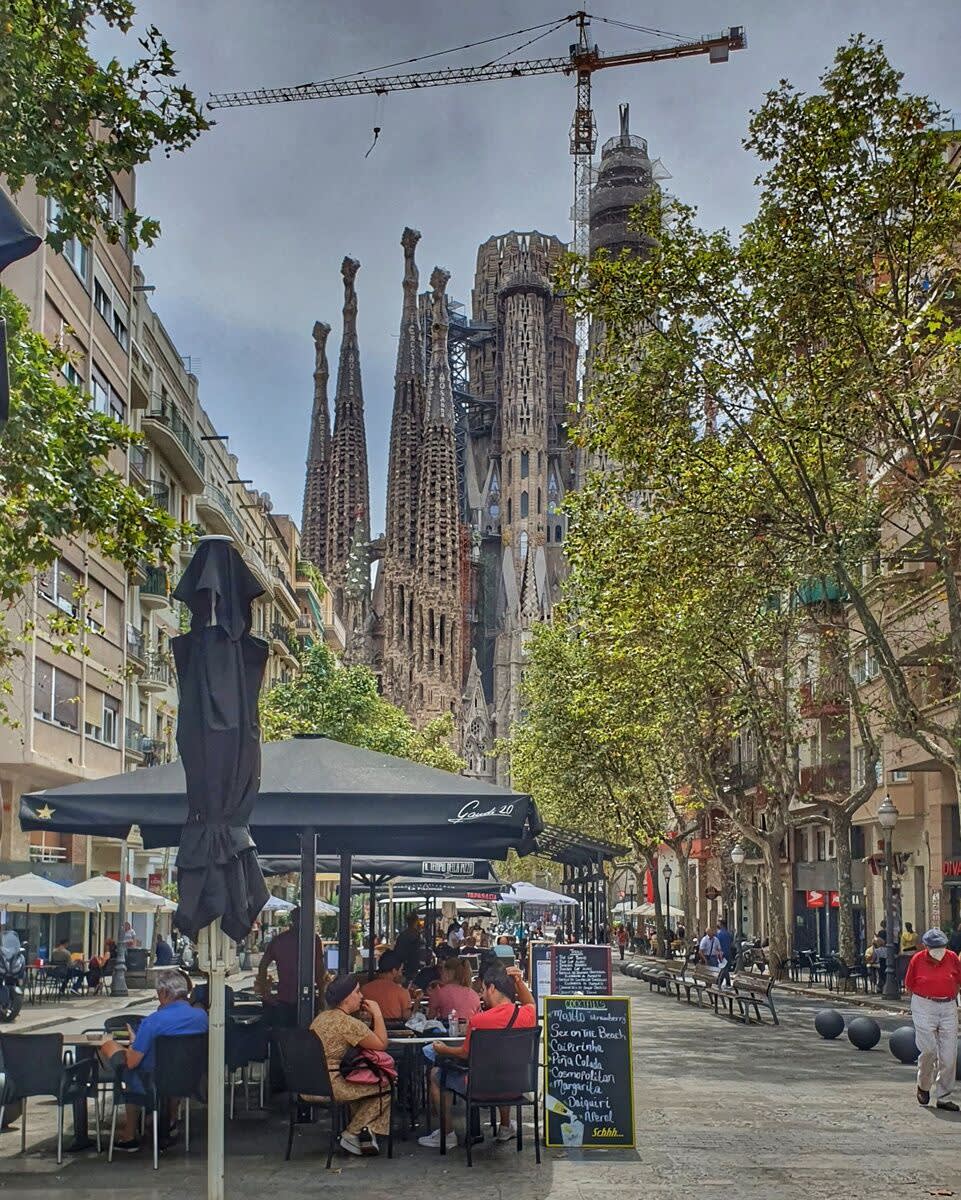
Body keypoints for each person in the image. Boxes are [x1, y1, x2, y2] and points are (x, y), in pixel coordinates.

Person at [419, 966, 536, 1149]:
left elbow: (465, 1053)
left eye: (482, 989)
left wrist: (443, 1050)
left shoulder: (479, 1021)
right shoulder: (527, 1015)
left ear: (491, 988)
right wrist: (519, 983)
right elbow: (531, 1003)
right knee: (503, 1065)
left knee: (436, 1074)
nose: (481, 995)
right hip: (516, 1086)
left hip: (480, 1088)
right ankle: (505, 1126)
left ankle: (447, 1133)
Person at [100, 969, 209, 1152]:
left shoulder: (153, 1021)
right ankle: (171, 1120)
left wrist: (131, 1044)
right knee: (169, 1069)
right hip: (189, 1080)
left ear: (164, 993)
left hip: (153, 1083)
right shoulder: (202, 1017)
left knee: (113, 1051)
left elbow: (132, 1062)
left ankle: (129, 1134)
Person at [309, 973, 392, 1156]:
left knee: (361, 1085)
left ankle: (365, 1134)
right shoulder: (348, 1023)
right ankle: (352, 1132)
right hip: (332, 1086)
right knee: (385, 1087)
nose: (361, 996)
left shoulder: (320, 1018)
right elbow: (381, 1044)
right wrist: (377, 1013)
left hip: (308, 1085)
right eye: (357, 992)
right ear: (347, 997)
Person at [904, 928, 961, 1110]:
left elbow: (958, 980)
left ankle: (943, 1096)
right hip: (924, 1004)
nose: (939, 951)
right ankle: (924, 1085)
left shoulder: (952, 958)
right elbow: (909, 985)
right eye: (935, 948)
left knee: (949, 1055)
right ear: (926, 947)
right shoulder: (917, 959)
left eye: (942, 947)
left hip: (948, 1005)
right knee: (928, 1049)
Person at [256, 907, 327, 1025]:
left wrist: (265, 993)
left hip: (284, 998)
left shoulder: (279, 940)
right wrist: (321, 996)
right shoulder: (313, 939)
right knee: (307, 1032)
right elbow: (320, 971)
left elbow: (262, 966)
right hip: (306, 998)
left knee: (284, 1032)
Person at [360, 950, 414, 1021]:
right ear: (394, 971)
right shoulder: (402, 992)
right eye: (400, 970)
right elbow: (407, 1018)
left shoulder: (364, 989)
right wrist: (417, 1003)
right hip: (395, 1028)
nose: (401, 974)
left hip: (370, 1027)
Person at [427, 954, 482, 1022]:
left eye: (442, 971)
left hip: (449, 1027)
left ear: (447, 973)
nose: (441, 975)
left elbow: (430, 1018)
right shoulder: (474, 995)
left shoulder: (439, 992)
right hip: (469, 1028)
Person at [393, 913, 426, 984]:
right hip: (413, 966)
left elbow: (397, 951)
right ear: (416, 922)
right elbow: (420, 953)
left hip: (403, 966)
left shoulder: (402, 935)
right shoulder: (417, 935)